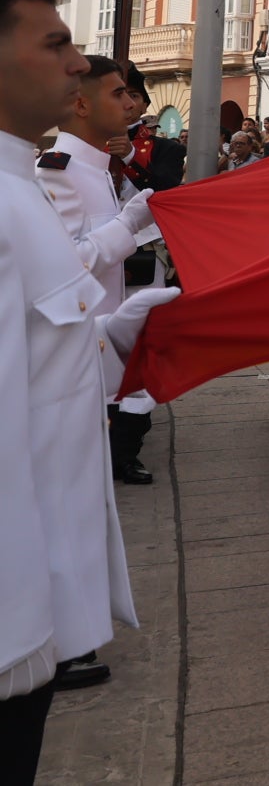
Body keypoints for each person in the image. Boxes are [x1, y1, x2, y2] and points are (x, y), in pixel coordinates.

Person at [3, 0, 180, 786]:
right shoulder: (14, 198)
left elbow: (44, 355)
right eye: (56, 43)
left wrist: (119, 330)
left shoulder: (17, 189)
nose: (78, 65)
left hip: (38, 601)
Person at [36, 56, 159, 487]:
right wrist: (128, 225)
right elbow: (67, 265)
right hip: (81, 352)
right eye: (118, 93)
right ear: (82, 106)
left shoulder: (95, 168)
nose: (130, 103)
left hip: (106, 343)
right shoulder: (58, 172)